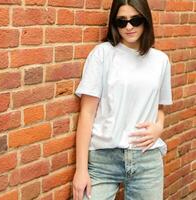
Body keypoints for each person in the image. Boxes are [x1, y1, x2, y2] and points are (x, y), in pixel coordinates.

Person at [72, 0, 173, 199]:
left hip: (147, 158)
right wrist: (81, 170)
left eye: (135, 20)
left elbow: (160, 106)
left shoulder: (160, 60)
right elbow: (87, 113)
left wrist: (159, 126)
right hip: (103, 160)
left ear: (146, 21)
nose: (129, 27)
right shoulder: (102, 54)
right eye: (121, 21)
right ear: (114, 24)